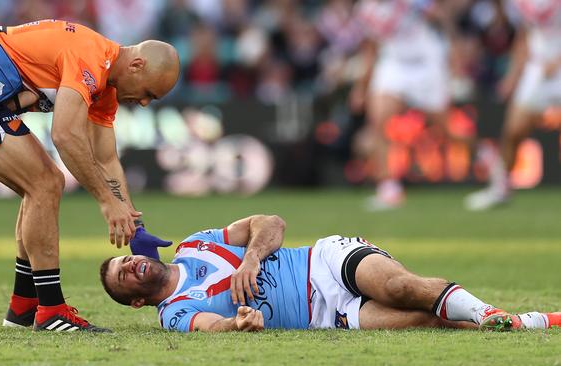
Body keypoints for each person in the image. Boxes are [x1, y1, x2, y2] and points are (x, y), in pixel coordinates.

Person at [0, 20, 180, 332]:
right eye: (149, 94)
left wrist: (134, 225)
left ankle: (24, 307)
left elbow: (106, 158)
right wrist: (105, 201)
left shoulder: (106, 85)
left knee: (42, 186)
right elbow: (65, 136)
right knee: (45, 184)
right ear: (137, 65)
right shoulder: (90, 57)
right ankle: (51, 311)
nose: (143, 103)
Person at [99, 214, 560, 332]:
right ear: (136, 299)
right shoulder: (174, 313)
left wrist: (252, 258)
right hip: (330, 318)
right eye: (124, 277)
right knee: (429, 321)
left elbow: (271, 223)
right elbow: (212, 326)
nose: (131, 265)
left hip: (325, 262)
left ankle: (504, 316)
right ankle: (533, 321)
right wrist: (239, 322)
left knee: (402, 288)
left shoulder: (197, 242)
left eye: (124, 259)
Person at [350, 0, 456, 210]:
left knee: (448, 129)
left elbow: (441, 18)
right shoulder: (365, 10)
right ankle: (389, 188)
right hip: (394, 64)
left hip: (426, 63)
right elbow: (371, 48)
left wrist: (453, 58)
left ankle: (486, 159)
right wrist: (362, 87)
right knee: (378, 122)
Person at [465, 0, 561, 210]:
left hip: (557, 66)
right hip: (538, 68)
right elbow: (523, 37)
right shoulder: (524, 4)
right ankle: (500, 188)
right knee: (513, 131)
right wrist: (512, 76)